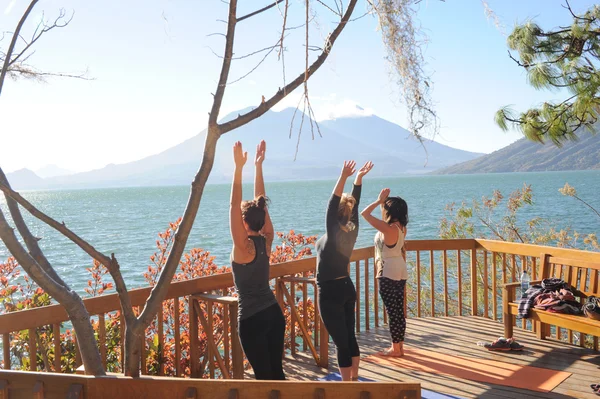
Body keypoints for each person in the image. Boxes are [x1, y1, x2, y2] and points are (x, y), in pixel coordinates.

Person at [229, 140, 285, 380]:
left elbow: (233, 205)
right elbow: (261, 204)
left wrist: (238, 168)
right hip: (274, 314)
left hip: (252, 319)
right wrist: (258, 166)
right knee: (277, 375)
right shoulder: (267, 241)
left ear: (243, 223)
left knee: (264, 379)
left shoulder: (243, 248)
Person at [316, 160, 374, 381]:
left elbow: (331, 206)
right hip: (347, 287)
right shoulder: (351, 231)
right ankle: (354, 381)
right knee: (349, 337)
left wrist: (343, 176)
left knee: (341, 342)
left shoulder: (332, 235)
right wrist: (357, 180)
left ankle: (347, 388)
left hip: (330, 291)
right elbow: (355, 206)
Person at [361, 188, 409, 357]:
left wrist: (378, 201)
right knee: (398, 311)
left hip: (388, 271)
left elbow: (364, 214)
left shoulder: (389, 229)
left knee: (392, 311)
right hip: (400, 269)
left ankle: (395, 349)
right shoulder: (401, 228)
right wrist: (382, 203)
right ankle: (399, 346)